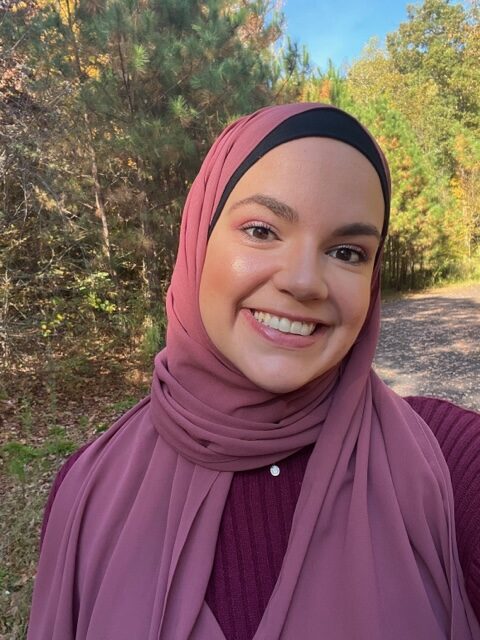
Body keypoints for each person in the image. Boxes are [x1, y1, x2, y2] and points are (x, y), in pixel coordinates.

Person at [28, 103, 480, 639]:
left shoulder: (450, 466)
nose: (305, 281)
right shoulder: (87, 490)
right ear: (197, 238)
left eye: (347, 251)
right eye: (263, 230)